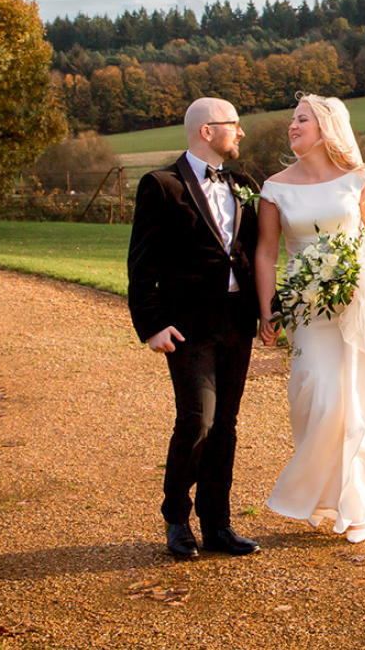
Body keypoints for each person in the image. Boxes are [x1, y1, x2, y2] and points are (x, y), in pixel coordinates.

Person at [257, 94, 365, 544]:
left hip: (357, 303)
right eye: (292, 119)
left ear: (327, 127)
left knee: (357, 403)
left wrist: (360, 276)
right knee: (320, 398)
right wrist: (266, 307)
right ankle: (322, 493)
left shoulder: (358, 180)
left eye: (302, 119)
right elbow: (267, 252)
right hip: (306, 309)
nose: (293, 126)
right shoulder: (274, 188)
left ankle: (355, 505)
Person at [127, 97, 264, 560]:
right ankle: (175, 516)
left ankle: (218, 523)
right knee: (198, 421)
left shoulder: (245, 183)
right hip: (186, 327)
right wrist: (151, 325)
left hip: (236, 323)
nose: (241, 133)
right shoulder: (161, 186)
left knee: (225, 424)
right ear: (207, 131)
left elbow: (253, 256)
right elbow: (141, 265)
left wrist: (269, 309)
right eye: (234, 125)